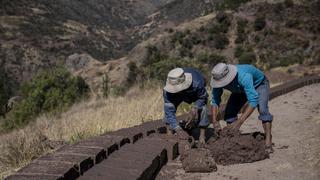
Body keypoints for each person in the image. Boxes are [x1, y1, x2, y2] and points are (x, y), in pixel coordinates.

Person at [210, 63, 273, 152]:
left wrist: (240, 121)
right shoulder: (218, 78)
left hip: (259, 84)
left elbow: (253, 99)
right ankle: (233, 140)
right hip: (239, 89)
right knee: (229, 113)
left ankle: (268, 140)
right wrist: (214, 121)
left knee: (263, 110)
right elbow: (215, 100)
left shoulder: (244, 76)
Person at [163, 67, 209, 144]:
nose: (178, 91)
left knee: (203, 109)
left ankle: (202, 136)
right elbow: (169, 112)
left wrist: (195, 108)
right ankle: (169, 133)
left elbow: (203, 98)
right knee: (168, 111)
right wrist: (178, 129)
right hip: (175, 96)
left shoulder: (197, 82)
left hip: (193, 93)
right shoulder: (167, 92)